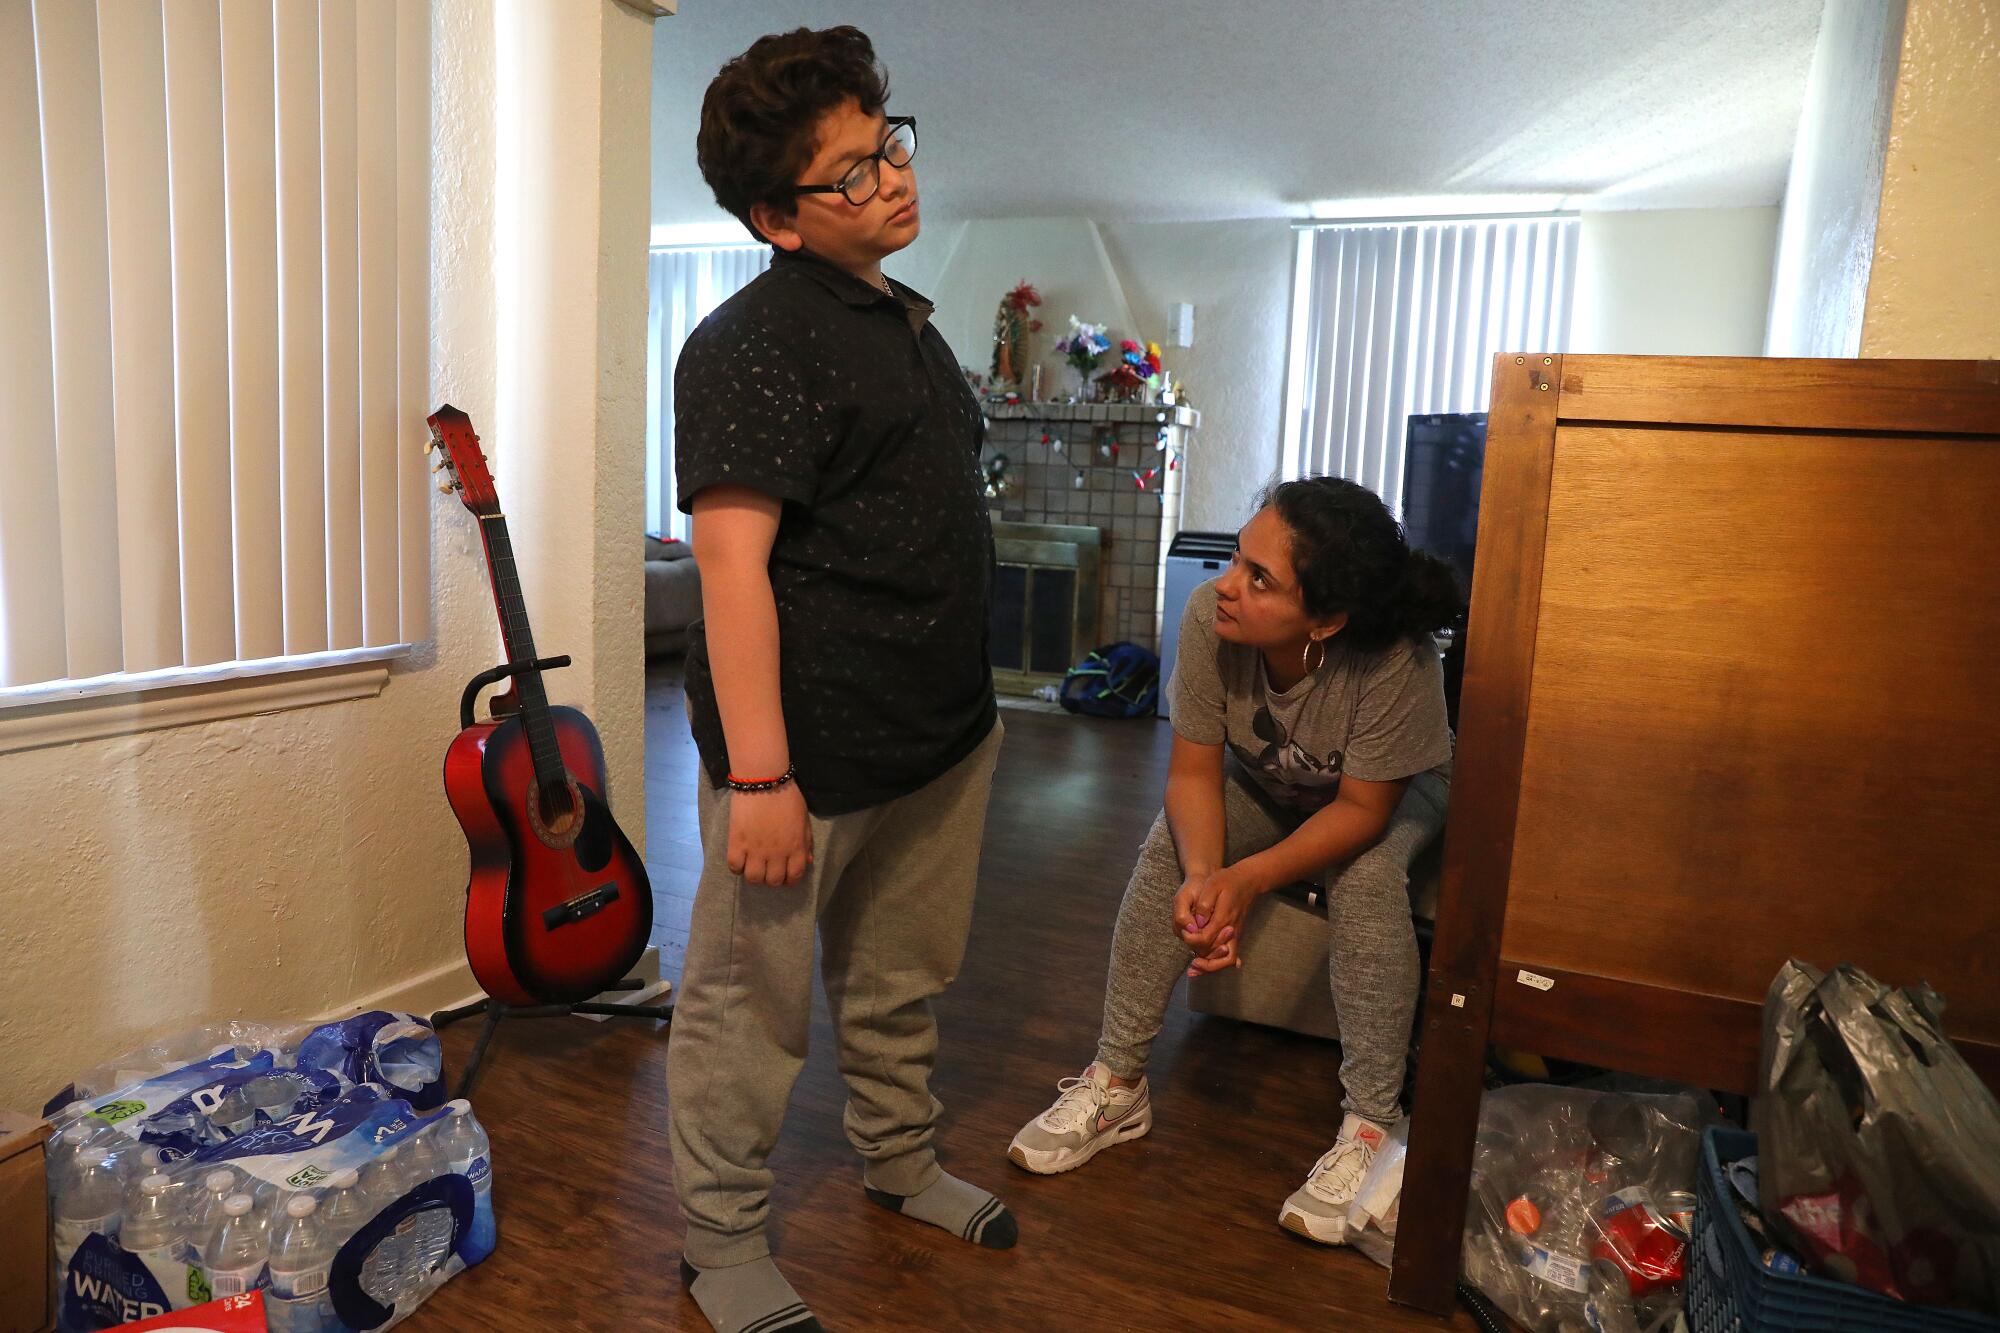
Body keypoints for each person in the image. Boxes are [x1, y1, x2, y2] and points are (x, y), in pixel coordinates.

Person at [665, 26, 1011, 1333]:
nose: (894, 181)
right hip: (805, 758)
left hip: (940, 736)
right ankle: (717, 1241)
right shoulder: (752, 344)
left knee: (899, 976)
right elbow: (731, 570)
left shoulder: (900, 322)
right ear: (777, 218)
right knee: (748, 1017)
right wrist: (757, 774)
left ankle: (899, 1160)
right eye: (853, 172)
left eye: (890, 146)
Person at [1008, 476, 1460, 1245]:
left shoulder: (1394, 660)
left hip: (1387, 792)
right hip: (1270, 778)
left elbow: (1361, 811)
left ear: (1325, 619)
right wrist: (1203, 881)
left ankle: (1373, 1128)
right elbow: (1191, 773)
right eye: (1235, 557)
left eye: (1259, 578)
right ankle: (1116, 1085)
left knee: (1368, 874)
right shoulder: (1207, 620)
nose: (1226, 586)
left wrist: (1246, 880)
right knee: (1167, 849)